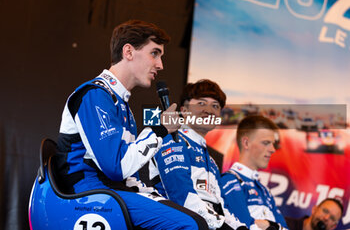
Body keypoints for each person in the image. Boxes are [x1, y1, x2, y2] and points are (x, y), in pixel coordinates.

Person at [55, 19, 209, 229]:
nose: (160, 65)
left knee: (199, 221)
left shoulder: (121, 104)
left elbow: (126, 173)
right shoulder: (95, 95)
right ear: (128, 52)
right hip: (91, 196)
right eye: (154, 53)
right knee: (190, 225)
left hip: (112, 191)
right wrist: (160, 129)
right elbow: (117, 168)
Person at [148, 79, 248, 230]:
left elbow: (220, 207)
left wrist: (239, 227)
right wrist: (221, 225)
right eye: (201, 103)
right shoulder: (172, 138)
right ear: (184, 110)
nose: (209, 110)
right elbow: (182, 197)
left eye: (215, 106)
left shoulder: (212, 161)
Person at [221, 115, 288, 230]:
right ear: (246, 143)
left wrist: (268, 225)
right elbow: (246, 226)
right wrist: (275, 227)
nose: (272, 149)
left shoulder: (265, 190)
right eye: (266, 143)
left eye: (273, 143)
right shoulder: (230, 180)